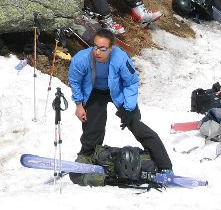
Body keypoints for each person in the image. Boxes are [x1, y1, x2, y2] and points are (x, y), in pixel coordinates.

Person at [68, 28, 172, 173]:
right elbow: (75, 82)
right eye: (95, 47)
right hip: (94, 93)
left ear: (111, 48)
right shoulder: (81, 59)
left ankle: (164, 165)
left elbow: (131, 83)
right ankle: (86, 157)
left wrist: (128, 108)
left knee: (136, 124)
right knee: (92, 128)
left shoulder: (121, 59)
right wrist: (78, 105)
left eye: (102, 49)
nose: (97, 52)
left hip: (118, 93)